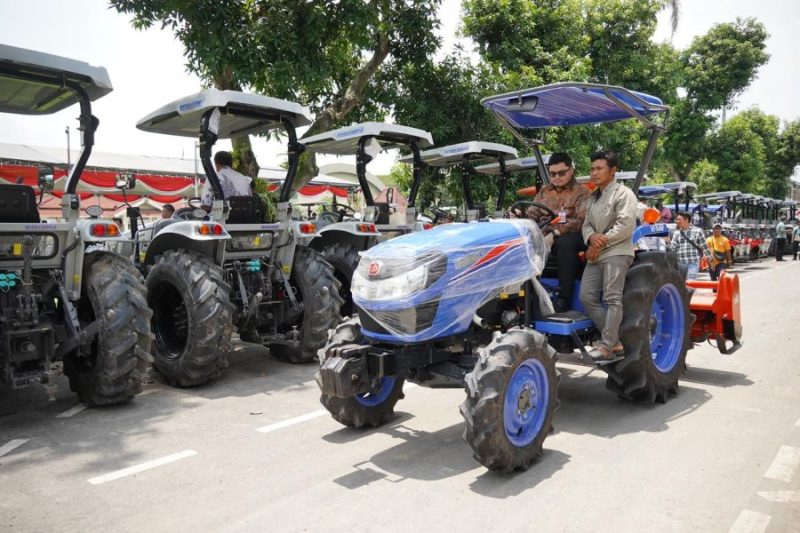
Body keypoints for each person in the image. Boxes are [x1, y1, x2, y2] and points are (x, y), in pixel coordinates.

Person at [579, 150, 638, 361]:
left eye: (599, 168)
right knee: (586, 297)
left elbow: (625, 225)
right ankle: (615, 341)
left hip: (616, 251)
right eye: (592, 168)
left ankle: (606, 345)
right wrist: (591, 236)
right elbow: (586, 224)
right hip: (597, 253)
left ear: (613, 171)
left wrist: (599, 242)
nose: (594, 173)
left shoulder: (623, 194)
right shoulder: (594, 197)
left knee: (612, 298)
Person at [520, 152, 592, 312]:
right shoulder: (545, 191)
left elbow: (581, 221)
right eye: (553, 174)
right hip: (545, 233)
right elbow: (533, 212)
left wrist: (555, 233)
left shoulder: (582, 192)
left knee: (566, 244)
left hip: (572, 233)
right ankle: (524, 293)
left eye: (561, 173)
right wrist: (519, 216)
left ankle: (563, 298)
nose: (557, 177)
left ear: (571, 170)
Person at [669, 211, 712, 280]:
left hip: (693, 262)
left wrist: (711, 260)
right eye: (676, 219)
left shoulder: (698, 231)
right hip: (680, 263)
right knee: (681, 283)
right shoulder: (676, 233)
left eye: (679, 219)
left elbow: (705, 247)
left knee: (690, 282)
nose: (677, 221)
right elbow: (673, 249)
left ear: (686, 220)